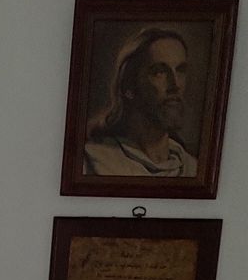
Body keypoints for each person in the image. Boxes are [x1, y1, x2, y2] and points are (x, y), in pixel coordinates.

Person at [84, 27, 199, 178]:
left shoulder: (192, 168)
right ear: (129, 87)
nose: (175, 85)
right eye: (159, 72)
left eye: (180, 70)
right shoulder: (93, 161)